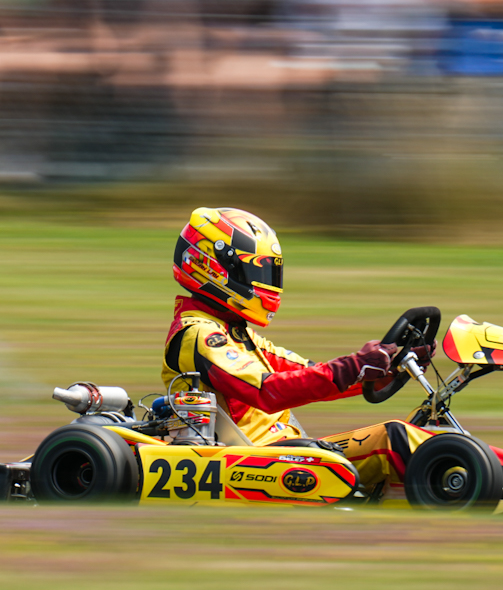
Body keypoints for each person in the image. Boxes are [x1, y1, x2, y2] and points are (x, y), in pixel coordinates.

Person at [162, 206, 434, 497]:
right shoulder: (198, 335)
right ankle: (469, 484)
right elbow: (266, 392)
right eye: (258, 270)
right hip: (254, 462)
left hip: (287, 453)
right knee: (394, 439)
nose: (267, 281)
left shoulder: (238, 335)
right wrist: (352, 367)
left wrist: (385, 370)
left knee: (420, 436)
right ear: (214, 267)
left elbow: (308, 375)